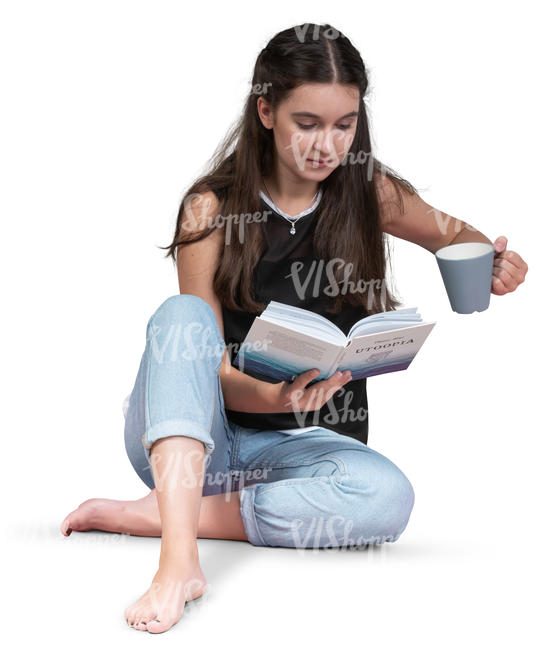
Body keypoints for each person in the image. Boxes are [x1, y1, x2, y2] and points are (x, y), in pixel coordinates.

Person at [60, 22, 528, 634]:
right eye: (307, 123)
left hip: (304, 449)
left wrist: (490, 263)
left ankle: (168, 516)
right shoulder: (211, 208)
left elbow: (454, 234)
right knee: (183, 318)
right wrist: (272, 395)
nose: (326, 146)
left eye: (344, 124)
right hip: (203, 440)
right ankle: (178, 562)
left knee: (387, 497)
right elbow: (207, 368)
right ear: (266, 111)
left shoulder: (368, 193)